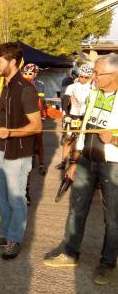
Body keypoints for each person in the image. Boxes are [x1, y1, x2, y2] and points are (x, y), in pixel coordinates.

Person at [43, 54, 118, 286]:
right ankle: (70, 252)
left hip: (113, 165)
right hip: (86, 160)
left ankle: (107, 264)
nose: (92, 77)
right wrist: (74, 160)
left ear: (114, 75)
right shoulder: (94, 93)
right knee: (76, 209)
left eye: (97, 73)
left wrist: (115, 139)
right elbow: (84, 128)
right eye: (93, 72)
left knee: (113, 217)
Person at [0, 42, 42, 260]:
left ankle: (14, 239)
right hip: (0, 150)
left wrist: (11, 133)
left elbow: (36, 126)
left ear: (13, 62)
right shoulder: (4, 85)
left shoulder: (26, 89)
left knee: (16, 198)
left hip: (18, 153)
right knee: (0, 196)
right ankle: (5, 233)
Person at [55, 64, 93, 170]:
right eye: (81, 76)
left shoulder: (92, 88)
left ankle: (76, 163)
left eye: (86, 77)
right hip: (72, 115)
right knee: (68, 139)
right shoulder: (72, 86)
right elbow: (65, 101)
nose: (83, 79)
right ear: (78, 75)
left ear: (90, 77)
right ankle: (63, 161)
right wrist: (66, 115)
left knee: (82, 140)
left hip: (84, 117)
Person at [21, 63, 47, 178]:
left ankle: (41, 163)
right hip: (24, 114)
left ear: (35, 74)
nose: (27, 75)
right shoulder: (20, 84)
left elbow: (41, 100)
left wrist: (43, 114)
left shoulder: (39, 84)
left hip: (36, 113)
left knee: (39, 140)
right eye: (25, 73)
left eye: (30, 73)